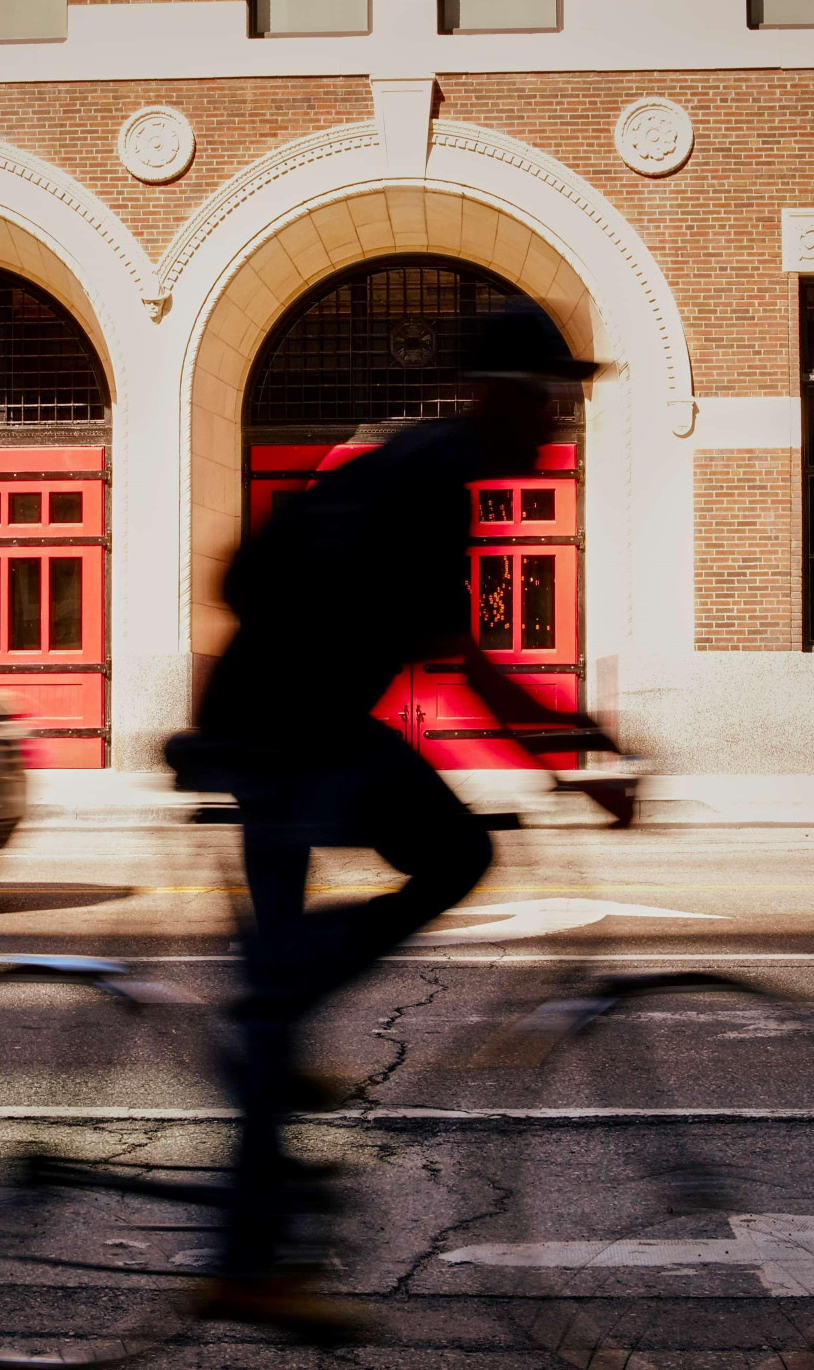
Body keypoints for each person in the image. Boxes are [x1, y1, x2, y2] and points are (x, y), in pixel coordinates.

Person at [166, 300, 637, 1336]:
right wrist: (580, 763)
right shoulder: (433, 480)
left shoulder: (425, 467)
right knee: (451, 857)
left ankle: (273, 1017)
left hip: (292, 727)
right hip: (284, 740)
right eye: (553, 399)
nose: (563, 422)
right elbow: (469, 672)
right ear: (501, 398)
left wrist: (577, 749)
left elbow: (449, 655)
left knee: (284, 1000)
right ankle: (245, 1266)